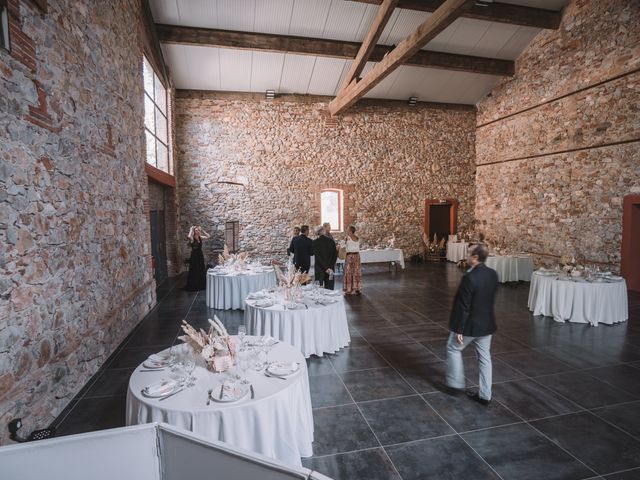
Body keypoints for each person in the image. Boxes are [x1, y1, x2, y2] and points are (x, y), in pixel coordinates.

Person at [443, 243, 498, 406]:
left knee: (453, 348)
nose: (466, 255)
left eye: (468, 253)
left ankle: (454, 384)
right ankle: (485, 395)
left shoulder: (469, 277)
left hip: (470, 325)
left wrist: (459, 329)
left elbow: (464, 305)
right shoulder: (492, 274)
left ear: (475, 258)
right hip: (487, 324)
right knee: (485, 357)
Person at [313, 225, 338, 290]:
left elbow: (318, 257)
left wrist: (326, 268)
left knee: (320, 289)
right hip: (330, 268)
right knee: (330, 288)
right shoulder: (331, 241)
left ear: (317, 233)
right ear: (324, 231)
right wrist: (330, 267)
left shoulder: (315, 242)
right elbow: (335, 255)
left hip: (320, 268)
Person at [185, 225, 210, 291]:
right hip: (194, 256)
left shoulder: (200, 237)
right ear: (194, 231)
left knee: (201, 268)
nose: (197, 231)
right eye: (196, 230)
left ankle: (200, 283)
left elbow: (208, 236)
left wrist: (203, 230)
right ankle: (194, 284)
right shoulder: (192, 238)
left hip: (200, 255)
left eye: (198, 230)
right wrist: (191, 229)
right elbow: (188, 236)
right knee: (195, 269)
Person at [343, 226, 362, 295]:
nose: (347, 231)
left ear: (351, 231)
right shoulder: (357, 238)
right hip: (357, 256)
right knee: (356, 272)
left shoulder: (347, 238)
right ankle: (356, 288)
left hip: (350, 256)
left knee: (349, 272)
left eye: (348, 230)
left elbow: (343, 246)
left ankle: (350, 289)